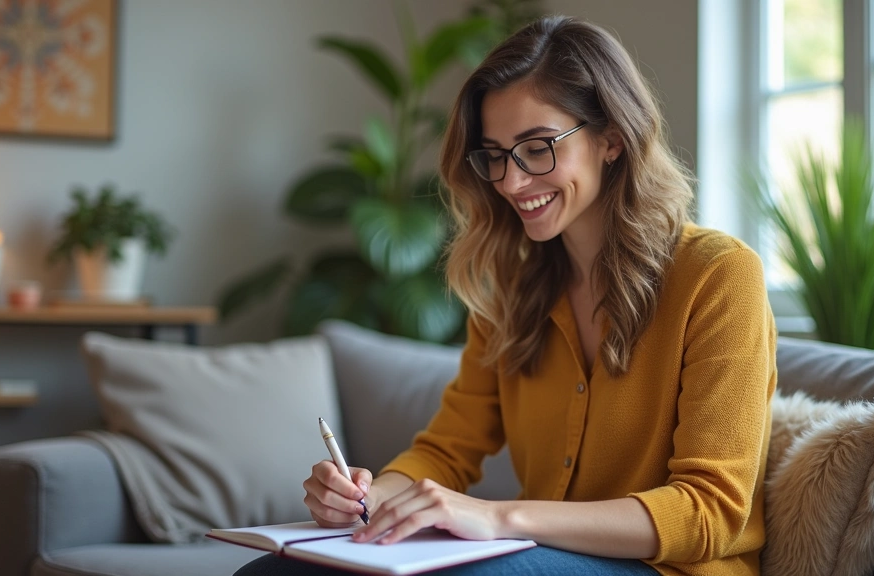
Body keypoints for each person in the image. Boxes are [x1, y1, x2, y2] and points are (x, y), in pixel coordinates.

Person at [235, 14, 775, 576]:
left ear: (611, 138)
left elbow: (712, 511)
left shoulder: (718, 276)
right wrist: (366, 497)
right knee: (278, 571)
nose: (512, 182)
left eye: (537, 148)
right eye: (494, 155)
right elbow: (447, 448)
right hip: (546, 558)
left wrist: (500, 518)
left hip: (672, 570)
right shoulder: (513, 291)